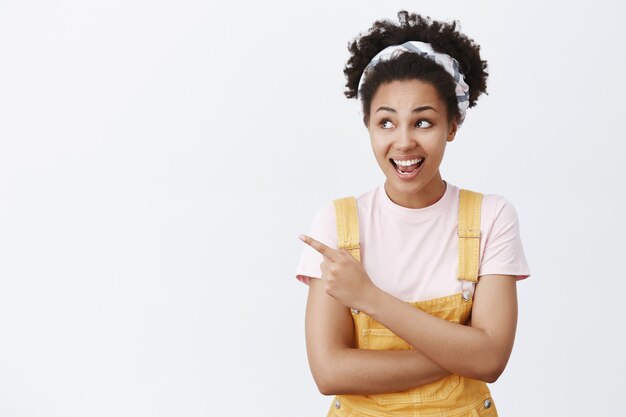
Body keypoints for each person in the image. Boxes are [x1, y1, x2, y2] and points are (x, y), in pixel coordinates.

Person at [294, 10, 531, 417]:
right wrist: (462, 352)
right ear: (368, 125)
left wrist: (368, 298)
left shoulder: (491, 217)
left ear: (452, 125)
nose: (403, 142)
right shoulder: (336, 222)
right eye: (386, 122)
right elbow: (329, 371)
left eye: (423, 121)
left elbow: (491, 360)